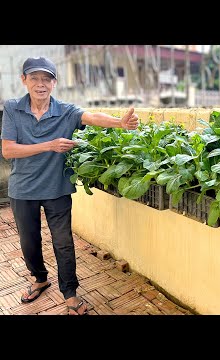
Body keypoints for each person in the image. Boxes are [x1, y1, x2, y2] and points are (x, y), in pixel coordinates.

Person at [1, 56, 139, 315]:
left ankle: (70, 292)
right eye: (34, 78)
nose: (40, 84)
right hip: (22, 190)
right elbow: (8, 151)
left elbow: (92, 115)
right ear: (24, 80)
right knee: (28, 241)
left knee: (63, 242)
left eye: (46, 79)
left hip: (57, 189)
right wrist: (50, 145)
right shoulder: (12, 108)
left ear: (54, 83)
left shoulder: (65, 111)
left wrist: (120, 123)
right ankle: (40, 279)